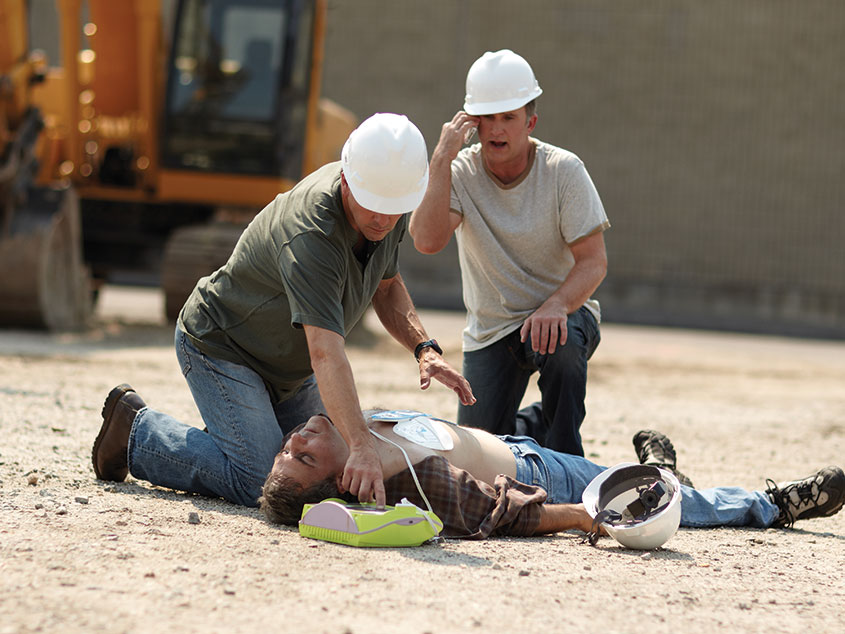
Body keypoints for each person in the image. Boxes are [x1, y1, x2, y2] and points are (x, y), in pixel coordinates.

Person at [91, 113, 475, 508]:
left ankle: (231, 438)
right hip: (223, 347)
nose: (382, 219)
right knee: (260, 477)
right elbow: (325, 351)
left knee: (325, 466)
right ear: (347, 179)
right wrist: (361, 446)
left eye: (393, 209)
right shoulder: (313, 232)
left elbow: (388, 285)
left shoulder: (386, 198)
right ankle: (135, 431)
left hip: (286, 367)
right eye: (373, 207)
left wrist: (423, 348)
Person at [409, 49, 609, 456]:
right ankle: (534, 424)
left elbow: (594, 262)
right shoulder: (459, 172)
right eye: (486, 118)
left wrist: (557, 306)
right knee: (482, 452)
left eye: (508, 117)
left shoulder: (564, 171)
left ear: (530, 122)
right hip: (492, 331)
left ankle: (568, 457)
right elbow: (427, 241)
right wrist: (441, 159)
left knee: (563, 346)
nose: (496, 129)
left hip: (559, 316)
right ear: (470, 122)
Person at [258, 410, 845, 540]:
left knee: (654, 484)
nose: (298, 439)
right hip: (544, 475)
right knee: (671, 503)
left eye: (289, 446)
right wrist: (582, 515)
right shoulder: (406, 483)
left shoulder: (344, 417)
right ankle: (776, 504)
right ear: (345, 484)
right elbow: (496, 512)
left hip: (518, 443)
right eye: (303, 456)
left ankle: (659, 470)